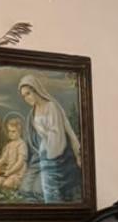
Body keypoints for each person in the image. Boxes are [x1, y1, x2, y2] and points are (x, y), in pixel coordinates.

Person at [17, 75, 82, 203]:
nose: (26, 98)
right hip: (43, 154)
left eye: (28, 93)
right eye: (24, 96)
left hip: (55, 155)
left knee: (52, 189)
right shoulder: (33, 112)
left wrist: (50, 154)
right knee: (43, 188)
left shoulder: (51, 106)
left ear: (36, 90)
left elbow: (56, 132)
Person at [0, 117, 29, 194]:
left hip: (18, 173)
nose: (10, 133)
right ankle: (2, 194)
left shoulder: (21, 145)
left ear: (20, 132)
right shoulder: (9, 145)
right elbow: (3, 159)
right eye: (9, 131)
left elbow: (20, 162)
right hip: (8, 171)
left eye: (13, 131)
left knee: (7, 184)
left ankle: (13, 193)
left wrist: (10, 172)